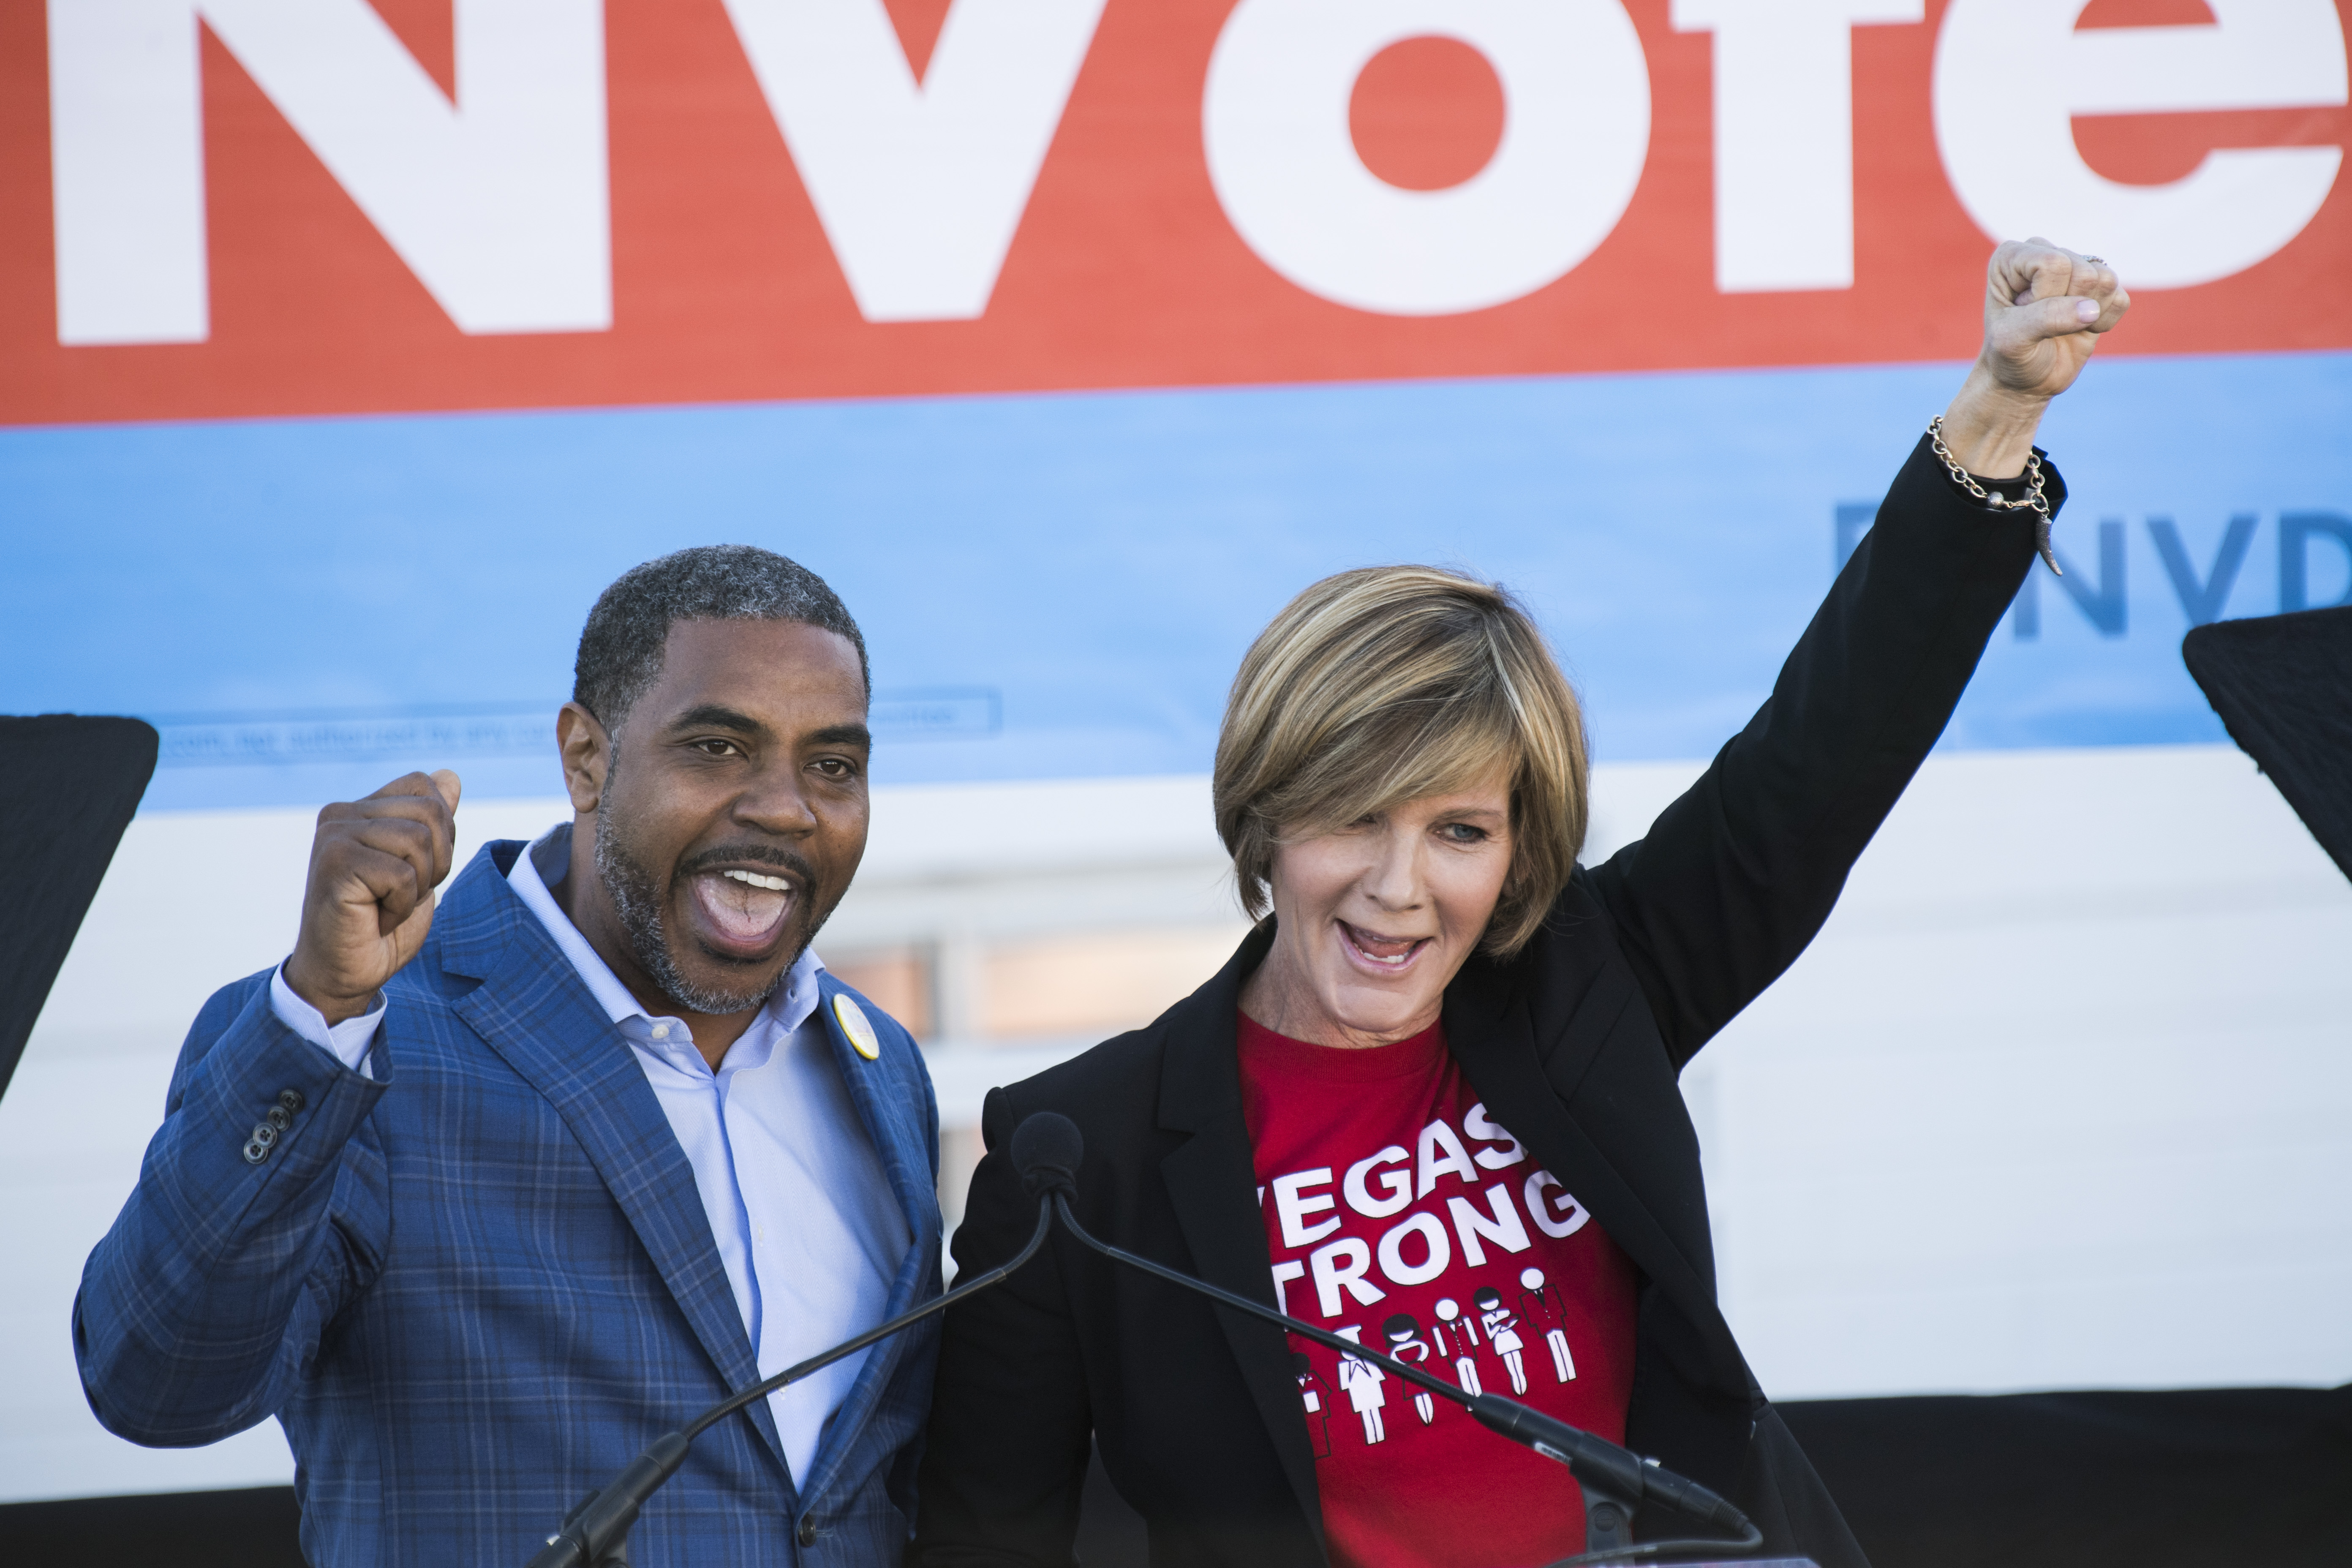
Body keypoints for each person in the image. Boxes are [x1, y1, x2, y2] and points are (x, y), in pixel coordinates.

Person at [910, 240, 2129, 1568]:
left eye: (1459, 831)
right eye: (1352, 817)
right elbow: (986, 1542)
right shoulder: (1082, 1161)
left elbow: (1822, 760)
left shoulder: (1589, 987)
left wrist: (2000, 408)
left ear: (1517, 851)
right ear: (1265, 818)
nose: (1400, 887)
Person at [75, 547, 942, 1566]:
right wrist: (320, 1010)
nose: (787, 806)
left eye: (833, 764)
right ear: (585, 756)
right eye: (717, 747)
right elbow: (160, 1383)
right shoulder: (363, 1035)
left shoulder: (878, 1068)